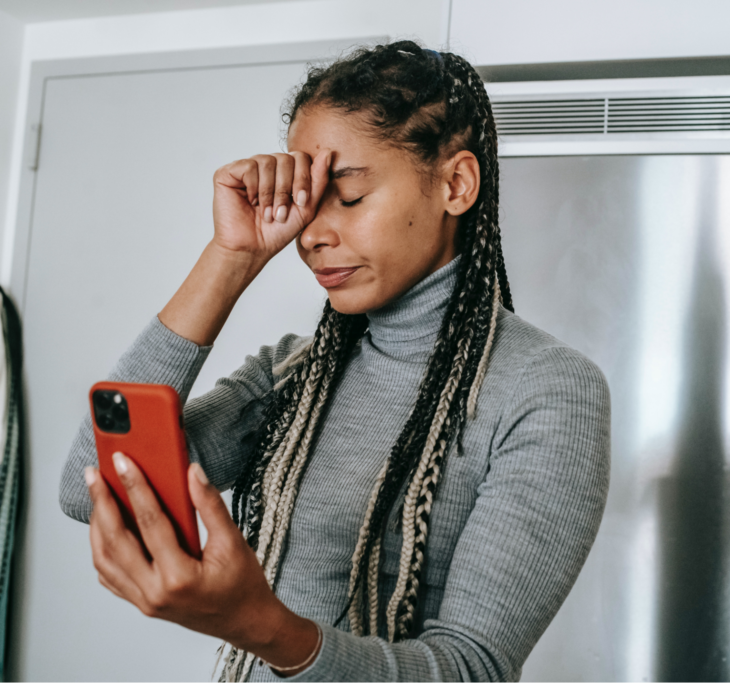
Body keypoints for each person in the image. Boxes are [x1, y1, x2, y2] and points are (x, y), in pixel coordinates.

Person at [57, 41, 611, 682]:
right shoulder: (293, 374)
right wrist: (231, 255)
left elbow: (471, 670)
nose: (313, 235)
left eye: (346, 197)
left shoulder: (546, 391)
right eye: (307, 202)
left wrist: (261, 627)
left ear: (455, 185)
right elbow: (88, 485)